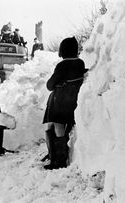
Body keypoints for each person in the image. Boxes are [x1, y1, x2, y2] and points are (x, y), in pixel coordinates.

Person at [42, 36, 88, 170]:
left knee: (57, 125)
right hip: (73, 100)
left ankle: (58, 160)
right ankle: (54, 155)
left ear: (63, 50)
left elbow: (50, 85)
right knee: (55, 125)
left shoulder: (62, 65)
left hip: (60, 101)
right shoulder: (80, 62)